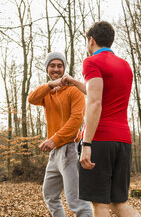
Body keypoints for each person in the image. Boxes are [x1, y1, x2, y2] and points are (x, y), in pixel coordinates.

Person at [61, 21, 141, 217]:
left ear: (91, 41)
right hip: (123, 140)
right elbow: (99, 92)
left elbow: (95, 102)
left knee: (100, 205)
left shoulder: (92, 62)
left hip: (100, 139)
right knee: (118, 203)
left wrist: (87, 142)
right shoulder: (125, 66)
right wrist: (72, 81)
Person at [28, 52, 93, 217]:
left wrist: (54, 139)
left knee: (77, 202)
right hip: (55, 153)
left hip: (70, 149)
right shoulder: (47, 93)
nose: (56, 69)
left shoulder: (74, 91)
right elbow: (31, 98)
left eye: (59, 66)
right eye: (52, 65)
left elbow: (76, 121)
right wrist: (50, 85)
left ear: (64, 68)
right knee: (50, 195)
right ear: (47, 69)